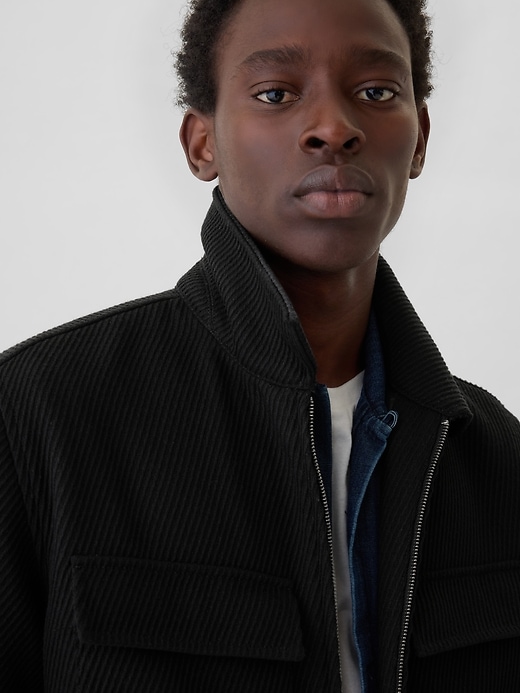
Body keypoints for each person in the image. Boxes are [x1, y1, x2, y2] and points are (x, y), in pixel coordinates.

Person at [1, 0, 519, 690]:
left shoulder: (498, 457)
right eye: (275, 94)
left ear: (419, 138)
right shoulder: (36, 415)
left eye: (376, 92)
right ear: (202, 144)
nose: (334, 128)